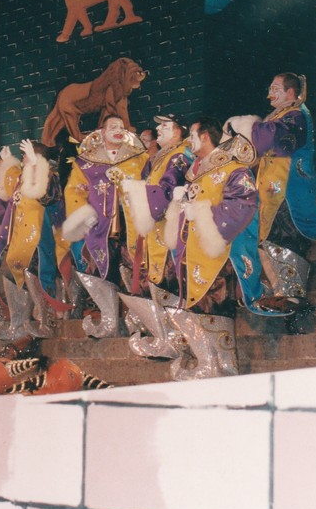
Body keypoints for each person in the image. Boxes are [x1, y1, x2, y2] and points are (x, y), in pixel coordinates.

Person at [161, 117, 260, 379]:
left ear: (205, 136)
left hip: (219, 255)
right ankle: (209, 365)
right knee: (195, 309)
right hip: (191, 254)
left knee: (216, 307)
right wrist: (180, 205)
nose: (188, 141)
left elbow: (243, 204)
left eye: (192, 135)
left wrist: (203, 212)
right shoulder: (195, 173)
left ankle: (225, 370)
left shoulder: (234, 169)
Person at [227, 73, 316, 314]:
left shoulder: (296, 115)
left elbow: (273, 137)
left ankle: (292, 292)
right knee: (267, 236)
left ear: (291, 92)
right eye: (270, 88)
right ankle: (280, 289)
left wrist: (247, 126)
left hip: (290, 190)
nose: (270, 93)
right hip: (271, 191)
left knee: (285, 235)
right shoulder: (277, 116)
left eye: (276, 88)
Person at [61, 116, 148, 338]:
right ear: (102, 132)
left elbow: (151, 183)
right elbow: (74, 190)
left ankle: (139, 320)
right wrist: (83, 212)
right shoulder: (86, 162)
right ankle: (110, 321)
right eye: (113, 127)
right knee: (101, 271)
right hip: (100, 226)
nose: (118, 130)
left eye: (122, 127)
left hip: (132, 224)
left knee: (135, 269)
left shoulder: (139, 158)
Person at [121, 114, 191, 358]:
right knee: (159, 280)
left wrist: (137, 191)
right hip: (157, 231)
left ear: (179, 131)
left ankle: (178, 340)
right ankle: (168, 338)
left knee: (170, 282)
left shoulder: (180, 156)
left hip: (172, 231)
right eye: (159, 125)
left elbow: (165, 191)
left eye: (165, 125)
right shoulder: (161, 156)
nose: (159, 129)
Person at [0, 140, 61, 343]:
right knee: (9, 275)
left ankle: (48, 323)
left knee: (35, 275)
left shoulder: (49, 176)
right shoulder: (22, 178)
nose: (23, 159)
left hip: (38, 238)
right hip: (19, 239)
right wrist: (8, 162)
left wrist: (37, 164)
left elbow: (48, 197)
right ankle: (18, 324)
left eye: (26, 155)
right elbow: (7, 187)